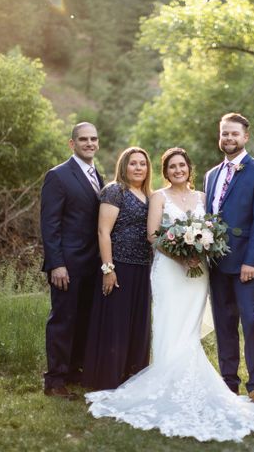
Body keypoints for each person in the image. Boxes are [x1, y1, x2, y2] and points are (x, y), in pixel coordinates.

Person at [85, 148, 254, 442]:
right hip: (169, 271)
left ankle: (191, 380)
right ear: (165, 171)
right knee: (168, 322)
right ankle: (165, 379)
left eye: (182, 165)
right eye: (172, 166)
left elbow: (213, 231)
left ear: (190, 168)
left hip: (198, 273)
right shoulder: (159, 197)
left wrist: (201, 249)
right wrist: (179, 256)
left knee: (189, 327)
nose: (178, 170)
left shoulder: (203, 197)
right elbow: (153, 234)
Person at [204, 113, 254, 403]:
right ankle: (229, 382)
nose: (229, 139)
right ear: (219, 137)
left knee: (251, 321)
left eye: (234, 134)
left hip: (246, 264)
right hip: (216, 264)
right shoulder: (211, 175)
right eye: (224, 134)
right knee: (224, 324)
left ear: (245, 137)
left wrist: (252, 261)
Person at [40, 122, 104, 399]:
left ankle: (75, 372)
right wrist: (57, 264)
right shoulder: (58, 176)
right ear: (72, 143)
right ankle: (54, 380)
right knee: (63, 321)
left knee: (85, 320)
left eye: (93, 139)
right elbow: (49, 224)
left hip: (92, 264)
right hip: (67, 264)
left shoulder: (96, 175)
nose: (89, 143)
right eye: (83, 139)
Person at [81, 147, 153, 391]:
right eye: (133, 163)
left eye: (142, 163)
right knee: (116, 324)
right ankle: (107, 378)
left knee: (138, 326)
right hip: (119, 266)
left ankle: (132, 377)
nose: (138, 168)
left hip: (143, 268)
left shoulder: (149, 195)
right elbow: (103, 232)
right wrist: (108, 269)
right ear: (124, 166)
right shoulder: (115, 191)